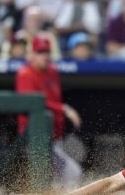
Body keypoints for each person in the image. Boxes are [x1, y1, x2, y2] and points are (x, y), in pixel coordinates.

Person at [15, 35, 82, 190]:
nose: (44, 56)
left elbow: (54, 99)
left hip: (54, 138)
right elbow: (33, 102)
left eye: (46, 52)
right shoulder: (25, 73)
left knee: (62, 179)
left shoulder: (52, 71)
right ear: (31, 54)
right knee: (71, 173)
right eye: (40, 52)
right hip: (34, 139)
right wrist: (64, 108)